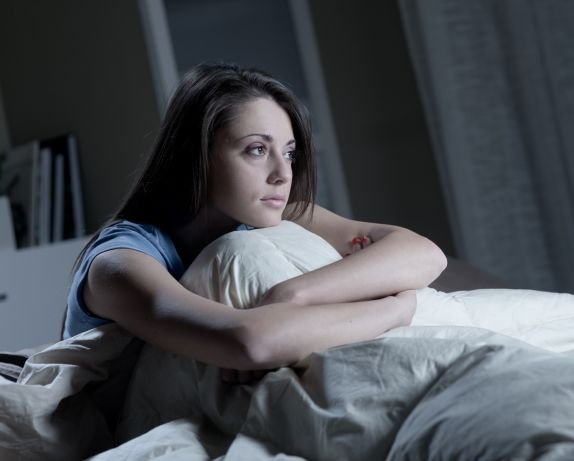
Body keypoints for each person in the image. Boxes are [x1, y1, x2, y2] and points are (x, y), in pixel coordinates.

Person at [62, 62, 447, 382]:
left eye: (290, 153)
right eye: (257, 150)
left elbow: (425, 255)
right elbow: (249, 343)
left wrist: (293, 295)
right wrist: (396, 310)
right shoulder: (119, 264)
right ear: (196, 156)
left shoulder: (279, 216)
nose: (283, 173)